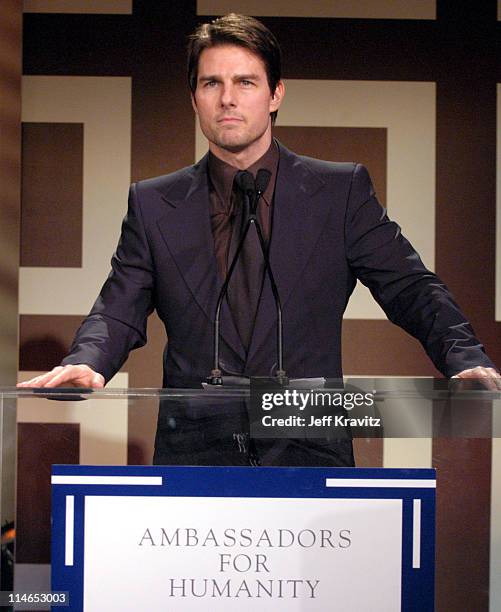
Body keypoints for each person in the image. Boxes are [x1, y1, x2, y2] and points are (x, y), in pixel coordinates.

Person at [18, 14, 500, 464]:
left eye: (244, 82)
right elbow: (118, 306)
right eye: (212, 83)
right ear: (195, 98)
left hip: (308, 446)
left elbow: (412, 288)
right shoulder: (153, 203)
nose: (227, 98)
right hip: (195, 448)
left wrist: (464, 360)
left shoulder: (339, 191)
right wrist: (88, 361)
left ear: (274, 95)